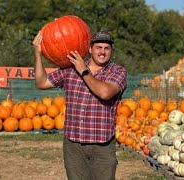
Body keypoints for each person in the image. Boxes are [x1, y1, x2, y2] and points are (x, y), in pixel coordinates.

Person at [32, 30, 127, 180]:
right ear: (90, 49)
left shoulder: (117, 71)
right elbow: (41, 82)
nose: (102, 52)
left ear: (111, 51)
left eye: (106, 48)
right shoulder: (70, 69)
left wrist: (83, 70)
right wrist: (38, 54)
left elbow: (105, 92)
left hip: (102, 144)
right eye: (98, 47)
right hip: (73, 144)